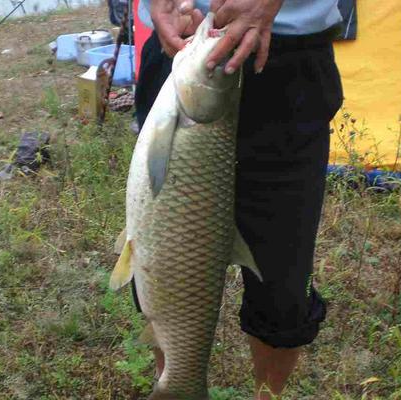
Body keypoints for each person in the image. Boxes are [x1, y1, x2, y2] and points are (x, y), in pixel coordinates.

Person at [134, 1, 344, 398]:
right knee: (162, 253)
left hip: (289, 51)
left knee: (282, 280)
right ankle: (176, 382)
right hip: (181, 42)